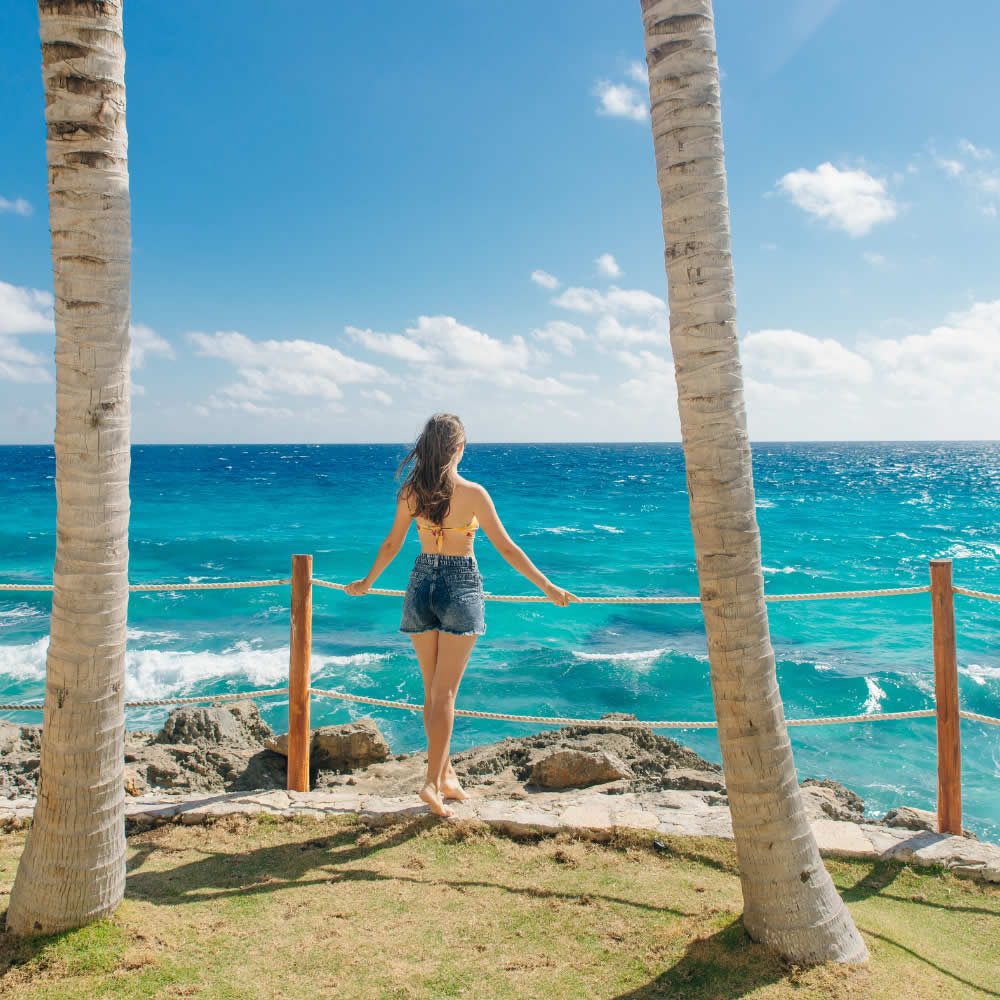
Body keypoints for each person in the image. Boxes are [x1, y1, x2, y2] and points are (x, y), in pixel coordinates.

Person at [346, 413, 577, 817]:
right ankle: (432, 783)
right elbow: (507, 549)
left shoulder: (409, 493)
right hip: (460, 585)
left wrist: (367, 582)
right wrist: (548, 588)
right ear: (457, 449)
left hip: (420, 584)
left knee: (432, 690)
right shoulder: (472, 493)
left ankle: (447, 775)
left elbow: (391, 544)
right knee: (445, 693)